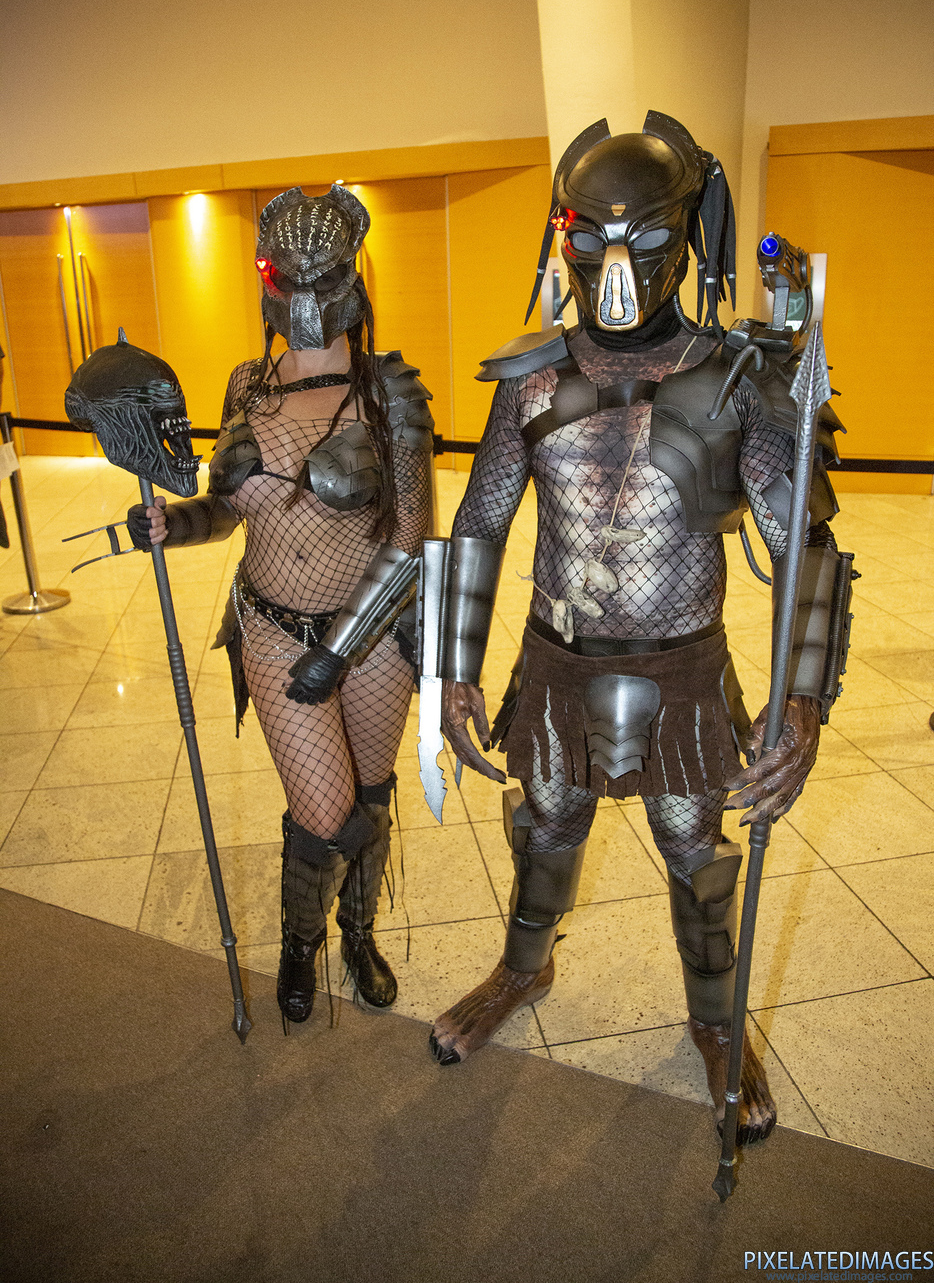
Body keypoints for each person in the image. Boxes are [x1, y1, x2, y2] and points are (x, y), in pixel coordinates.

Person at [428, 113, 853, 1143]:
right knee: (545, 824)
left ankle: (713, 1020)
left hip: (683, 668)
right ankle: (522, 969)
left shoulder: (734, 376)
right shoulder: (532, 376)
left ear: (686, 234)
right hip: (556, 658)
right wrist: (452, 667)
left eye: (646, 239)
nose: (615, 268)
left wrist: (802, 701)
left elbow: (804, 544)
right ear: (563, 236)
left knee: (694, 849)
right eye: (590, 237)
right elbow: (481, 521)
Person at [128, 184, 433, 1028]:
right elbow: (228, 508)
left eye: (319, 276)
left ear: (348, 277)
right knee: (326, 810)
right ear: (266, 278)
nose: (302, 295)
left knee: (371, 793)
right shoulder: (246, 384)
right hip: (270, 625)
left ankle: (357, 933)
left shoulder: (387, 392)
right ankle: (302, 939)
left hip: (370, 638)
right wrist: (175, 524)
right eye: (285, 275)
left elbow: (411, 537)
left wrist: (337, 652)